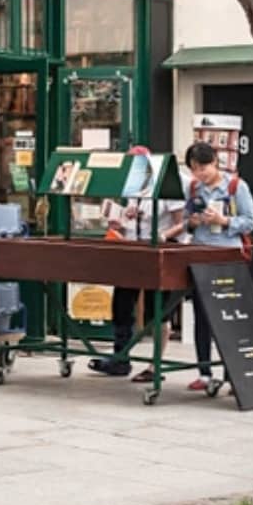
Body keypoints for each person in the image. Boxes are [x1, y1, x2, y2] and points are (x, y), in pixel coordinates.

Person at [87, 148, 185, 380]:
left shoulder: (166, 186)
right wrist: (119, 220)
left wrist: (162, 236)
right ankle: (120, 358)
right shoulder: (131, 187)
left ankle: (155, 366)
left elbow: (181, 223)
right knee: (121, 303)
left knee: (156, 310)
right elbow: (127, 221)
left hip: (157, 251)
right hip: (131, 250)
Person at [177, 142, 253, 392]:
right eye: (194, 169)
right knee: (202, 316)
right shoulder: (193, 188)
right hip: (200, 252)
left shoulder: (235, 187)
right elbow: (187, 222)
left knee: (229, 317)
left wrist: (223, 221)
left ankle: (233, 374)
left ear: (215, 163)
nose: (200, 174)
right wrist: (194, 221)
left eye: (203, 168)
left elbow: (249, 222)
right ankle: (204, 371)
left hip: (227, 254)